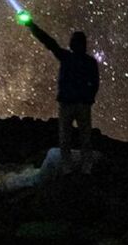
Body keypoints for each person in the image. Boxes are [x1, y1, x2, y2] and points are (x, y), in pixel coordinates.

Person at [22, 16, 99, 170]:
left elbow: (49, 43)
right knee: (80, 138)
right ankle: (83, 170)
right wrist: (89, 98)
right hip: (78, 104)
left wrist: (31, 25)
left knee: (70, 138)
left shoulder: (69, 58)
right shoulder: (85, 61)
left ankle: (70, 170)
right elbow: (95, 83)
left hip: (72, 104)